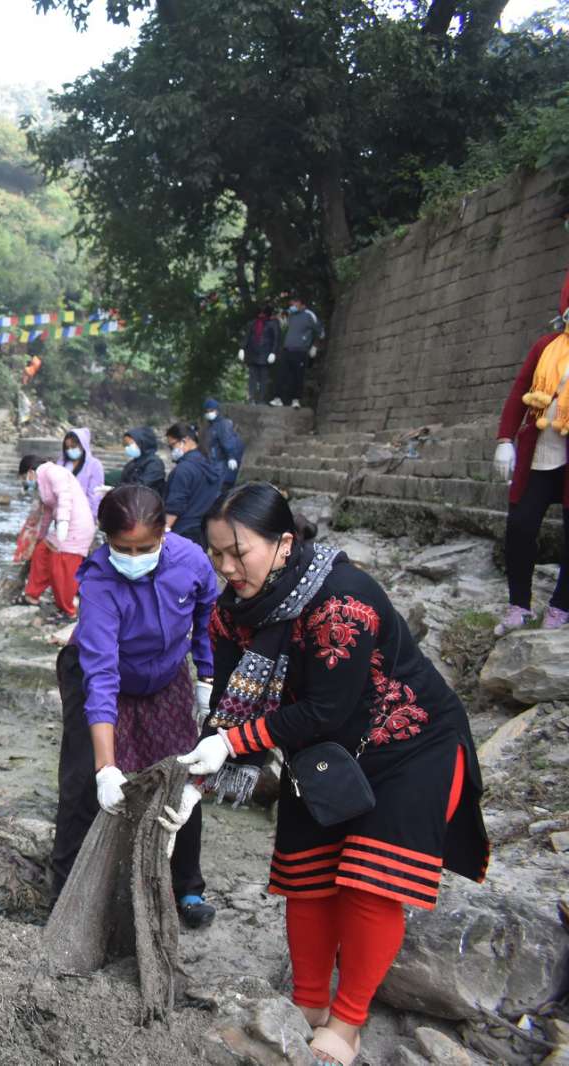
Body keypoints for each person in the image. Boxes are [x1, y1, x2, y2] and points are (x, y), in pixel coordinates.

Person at [178, 483, 487, 1066]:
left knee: (370, 883)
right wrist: (195, 779)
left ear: (285, 543)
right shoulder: (229, 615)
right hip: (320, 753)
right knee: (307, 877)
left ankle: (347, 1024)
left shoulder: (342, 601)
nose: (226, 567)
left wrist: (234, 743)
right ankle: (309, 1003)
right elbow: (226, 703)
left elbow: (326, 707)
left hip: (409, 743)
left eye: (238, 552)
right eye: (215, 553)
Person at [52, 485, 219, 927]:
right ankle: (67, 891)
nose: (134, 557)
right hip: (102, 674)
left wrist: (207, 677)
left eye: (145, 547)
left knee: (181, 774)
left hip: (165, 675)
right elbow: (102, 676)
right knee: (84, 783)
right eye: (122, 548)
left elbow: (208, 621)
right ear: (105, 540)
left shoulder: (191, 561)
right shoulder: (101, 582)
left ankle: (188, 888)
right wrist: (106, 767)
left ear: (165, 531)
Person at [493, 271, 569, 633]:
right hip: (540, 453)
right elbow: (519, 392)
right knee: (520, 526)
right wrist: (505, 440)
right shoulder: (545, 347)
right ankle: (518, 606)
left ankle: (561, 607)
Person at [19, 460, 97, 617]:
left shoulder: (53, 472)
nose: (25, 483)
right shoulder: (43, 485)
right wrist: (40, 537)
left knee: (63, 568)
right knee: (42, 552)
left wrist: (62, 522)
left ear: (30, 473)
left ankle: (68, 610)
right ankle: (31, 596)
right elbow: (47, 513)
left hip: (76, 526)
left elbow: (64, 496)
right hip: (64, 526)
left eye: (24, 478)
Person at [162, 423, 224, 547]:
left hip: (182, 531)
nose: (171, 450)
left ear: (184, 441)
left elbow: (175, 504)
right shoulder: (208, 464)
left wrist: (164, 530)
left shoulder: (184, 469)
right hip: (202, 530)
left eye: (172, 445)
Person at [273, 295, 324, 409]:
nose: (292, 306)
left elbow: (321, 332)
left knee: (297, 377)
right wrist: (283, 314)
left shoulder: (309, 315)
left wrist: (315, 346)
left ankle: (295, 400)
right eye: (291, 304)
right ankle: (277, 399)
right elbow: (281, 322)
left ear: (301, 303)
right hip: (287, 350)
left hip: (300, 351)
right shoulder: (291, 315)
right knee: (281, 375)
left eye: (294, 303)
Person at [201, 398, 246, 488]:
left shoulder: (223, 424)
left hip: (222, 463)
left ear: (217, 411)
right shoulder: (212, 426)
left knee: (223, 486)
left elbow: (228, 442)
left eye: (211, 410)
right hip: (215, 462)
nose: (208, 413)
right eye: (207, 411)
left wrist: (231, 457)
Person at [240, 305, 281, 404]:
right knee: (252, 378)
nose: (261, 315)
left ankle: (262, 399)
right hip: (253, 354)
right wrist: (242, 348)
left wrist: (273, 352)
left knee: (264, 378)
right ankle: (251, 398)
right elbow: (247, 337)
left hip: (266, 354)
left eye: (263, 313)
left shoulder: (273, 324)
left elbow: (276, 339)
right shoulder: (252, 323)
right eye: (260, 312)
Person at [62, 427, 106, 516]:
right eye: (67, 447)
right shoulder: (62, 463)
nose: (70, 450)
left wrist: (91, 515)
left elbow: (95, 495)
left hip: (83, 514)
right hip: (62, 512)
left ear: (83, 445)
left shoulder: (94, 465)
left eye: (73, 447)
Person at [119, 426, 167, 499]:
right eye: (126, 445)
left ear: (142, 443)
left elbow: (143, 486)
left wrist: (120, 489)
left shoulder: (154, 463)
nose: (127, 448)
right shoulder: (132, 463)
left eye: (130, 444)